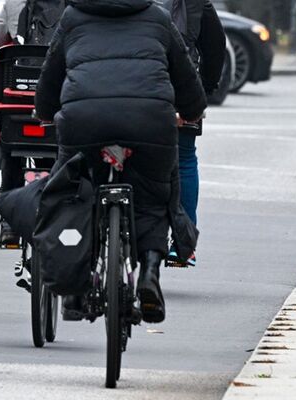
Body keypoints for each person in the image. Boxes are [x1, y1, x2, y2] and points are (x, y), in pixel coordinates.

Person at [35, 0, 207, 323]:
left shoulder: (72, 17)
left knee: (74, 188)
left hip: (84, 121)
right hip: (149, 121)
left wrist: (44, 111)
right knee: (156, 193)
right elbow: (185, 76)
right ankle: (151, 273)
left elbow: (51, 73)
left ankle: (75, 286)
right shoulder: (158, 18)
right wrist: (193, 110)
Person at [165, 0, 227, 268]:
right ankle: (184, 243)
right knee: (185, 158)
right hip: (180, 90)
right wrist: (205, 88)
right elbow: (215, 44)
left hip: (115, 90)